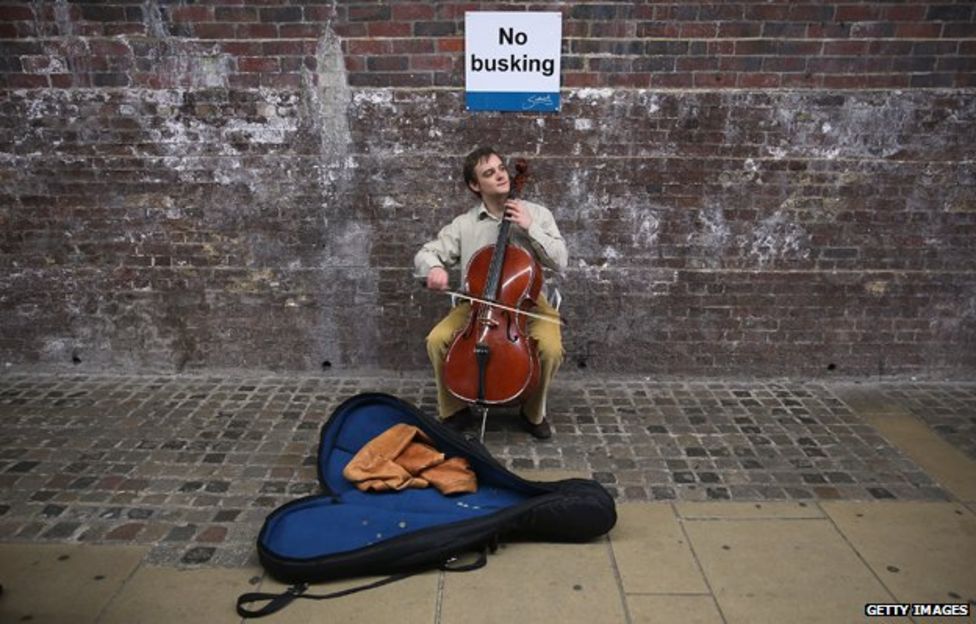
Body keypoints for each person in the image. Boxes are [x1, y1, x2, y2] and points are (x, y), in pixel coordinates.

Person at [414, 146, 568, 440]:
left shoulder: (537, 214)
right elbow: (426, 253)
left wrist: (530, 227)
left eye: (500, 168)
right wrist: (433, 268)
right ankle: (455, 411)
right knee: (437, 340)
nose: (500, 175)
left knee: (550, 349)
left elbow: (560, 261)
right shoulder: (465, 224)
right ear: (475, 185)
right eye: (489, 173)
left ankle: (532, 413)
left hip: (529, 304)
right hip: (477, 305)